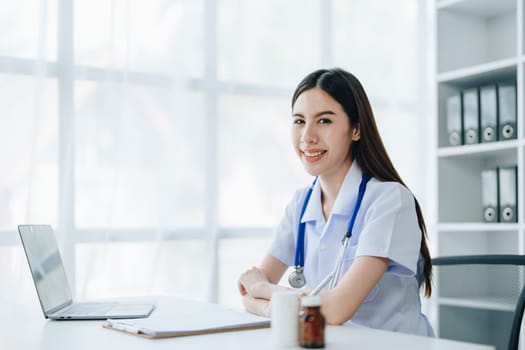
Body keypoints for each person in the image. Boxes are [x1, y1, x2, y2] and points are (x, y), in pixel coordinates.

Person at [237, 68, 434, 336]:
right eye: (299, 121)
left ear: (356, 129)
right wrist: (273, 300)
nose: (307, 135)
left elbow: (337, 309)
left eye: (324, 121)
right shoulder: (301, 203)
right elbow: (246, 294)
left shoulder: (389, 201)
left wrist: (266, 291)